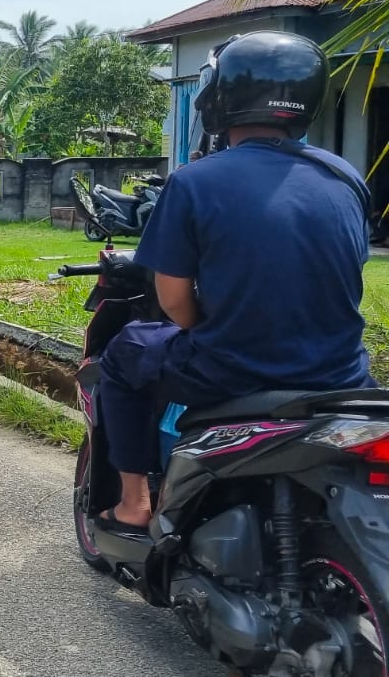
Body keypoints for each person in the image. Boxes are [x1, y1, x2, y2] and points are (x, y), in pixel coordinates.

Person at [96, 31, 378, 530]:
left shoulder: (195, 180)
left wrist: (212, 325)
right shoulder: (344, 176)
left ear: (219, 100)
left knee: (124, 355)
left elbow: (175, 300)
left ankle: (135, 504)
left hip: (234, 369)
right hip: (341, 376)